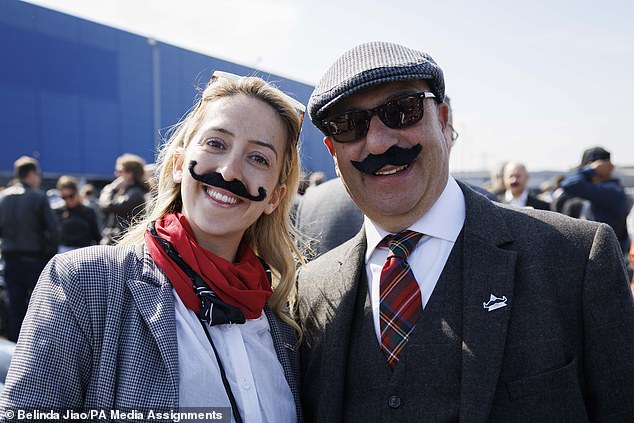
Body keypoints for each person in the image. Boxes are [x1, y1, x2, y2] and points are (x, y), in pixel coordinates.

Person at [296, 41, 634, 422]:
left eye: (402, 111)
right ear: (333, 153)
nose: (378, 141)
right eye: (350, 125)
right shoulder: (311, 291)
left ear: (443, 120)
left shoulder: (575, 259)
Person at [1, 72, 304, 422]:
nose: (230, 171)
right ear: (178, 165)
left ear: (275, 198)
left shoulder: (285, 321)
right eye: (216, 144)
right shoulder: (85, 282)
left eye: (258, 158)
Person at [0, 156, 58, 342]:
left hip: (11, 258)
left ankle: (14, 345)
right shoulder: (38, 197)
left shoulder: (4, 198)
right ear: (32, 174)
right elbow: (53, 229)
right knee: (39, 307)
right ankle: (35, 345)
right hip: (35, 259)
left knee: (14, 306)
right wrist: (50, 254)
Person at [560, 146, 632, 253]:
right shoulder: (602, 190)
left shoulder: (611, 192)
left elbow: (569, 184)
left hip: (606, 259)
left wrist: (590, 170)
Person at [98, 153, 149, 245]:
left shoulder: (135, 193)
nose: (116, 174)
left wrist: (110, 188)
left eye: (120, 171)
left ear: (130, 174)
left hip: (124, 242)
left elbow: (107, 206)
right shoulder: (125, 190)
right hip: (118, 240)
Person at [54, 176, 101, 252]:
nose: (68, 200)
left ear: (77, 193)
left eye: (71, 196)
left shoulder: (89, 211)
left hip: (84, 252)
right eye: (64, 197)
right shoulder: (58, 211)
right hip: (63, 253)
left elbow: (97, 236)